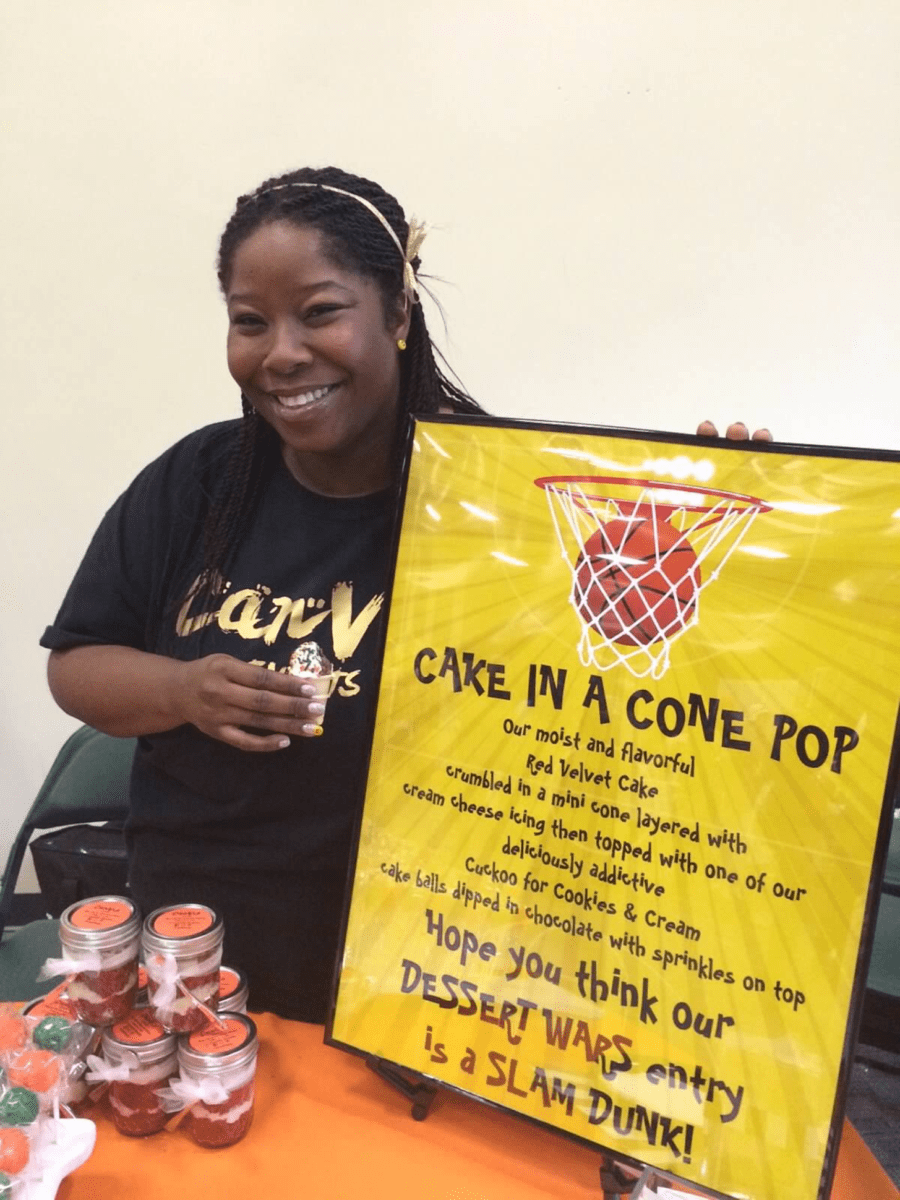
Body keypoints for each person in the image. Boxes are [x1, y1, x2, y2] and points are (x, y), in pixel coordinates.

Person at [41, 165, 770, 1023]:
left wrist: (752, 527)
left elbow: (649, 690)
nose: (281, 353)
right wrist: (182, 690)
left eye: (320, 312)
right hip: (199, 957)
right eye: (250, 321)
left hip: (425, 969)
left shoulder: (503, 500)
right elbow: (77, 666)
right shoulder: (199, 480)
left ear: (396, 313)